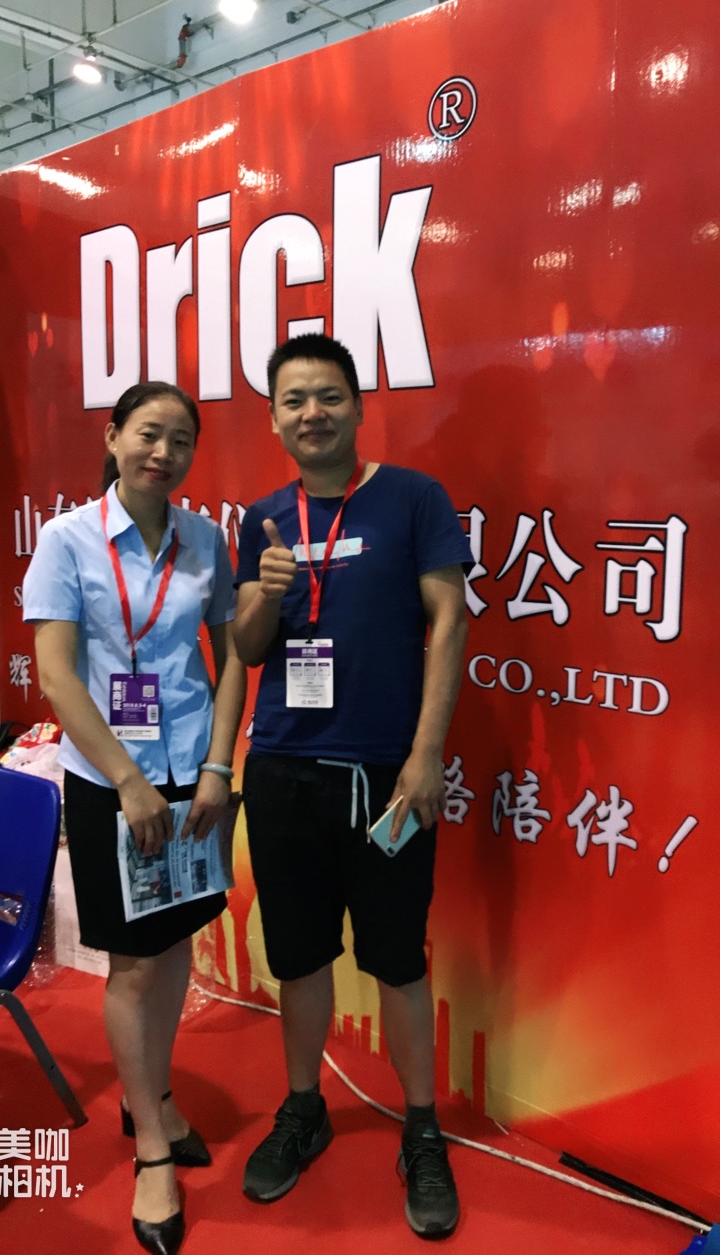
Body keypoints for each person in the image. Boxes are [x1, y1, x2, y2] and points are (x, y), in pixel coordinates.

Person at [233, 333, 471, 1239]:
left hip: (385, 775)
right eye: (294, 400)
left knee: (398, 959)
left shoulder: (413, 498)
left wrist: (426, 753)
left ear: (359, 406)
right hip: (283, 770)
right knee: (298, 957)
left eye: (328, 396)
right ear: (273, 418)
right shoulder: (263, 518)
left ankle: (422, 1130)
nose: (312, 414)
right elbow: (246, 648)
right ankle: (305, 1109)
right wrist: (264, 591)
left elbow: (448, 621)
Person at [23, 382, 246, 1255]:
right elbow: (57, 675)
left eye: (182, 440)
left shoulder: (206, 540)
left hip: (192, 775)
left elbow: (230, 658)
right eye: (150, 434)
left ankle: (150, 1092)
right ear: (114, 438)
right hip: (111, 781)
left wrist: (220, 766)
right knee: (131, 964)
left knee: (175, 938)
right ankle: (152, 1143)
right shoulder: (67, 539)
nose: (165, 452)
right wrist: (127, 780)